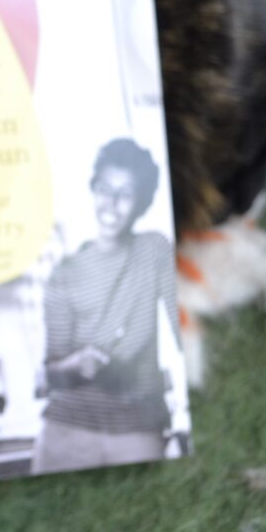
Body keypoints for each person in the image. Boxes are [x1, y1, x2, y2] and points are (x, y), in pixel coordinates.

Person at [33, 138, 180, 473]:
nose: (111, 203)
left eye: (125, 193)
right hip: (66, 432)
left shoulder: (154, 251)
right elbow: (49, 373)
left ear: (141, 201)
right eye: (104, 189)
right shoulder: (64, 273)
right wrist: (75, 365)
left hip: (138, 431)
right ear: (93, 189)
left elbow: (182, 327)